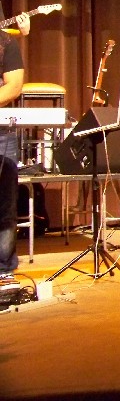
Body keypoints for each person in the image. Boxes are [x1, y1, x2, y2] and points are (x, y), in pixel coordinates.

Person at [0, 29, 25, 299]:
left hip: (1, 133)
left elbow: (14, 85)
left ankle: (4, 271)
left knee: (4, 203)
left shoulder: (6, 43)